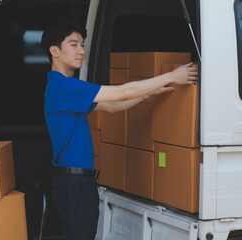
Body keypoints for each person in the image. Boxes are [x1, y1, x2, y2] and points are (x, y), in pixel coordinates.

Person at [41, 22, 198, 240]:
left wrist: (148, 93)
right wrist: (171, 76)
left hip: (76, 182)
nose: (81, 51)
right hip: (73, 182)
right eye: (74, 44)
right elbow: (121, 92)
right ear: (54, 51)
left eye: (83, 45)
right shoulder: (64, 87)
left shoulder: (67, 88)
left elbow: (112, 107)